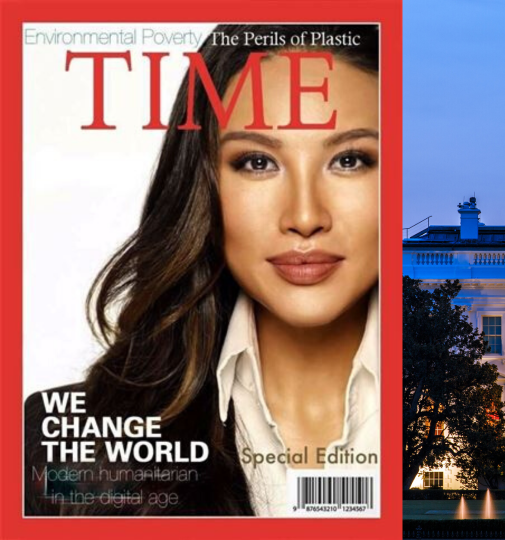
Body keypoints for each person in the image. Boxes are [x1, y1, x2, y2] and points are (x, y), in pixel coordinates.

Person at [24, 24, 380, 516]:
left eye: (350, 159)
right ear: (203, 186)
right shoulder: (68, 447)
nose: (304, 217)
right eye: (257, 162)